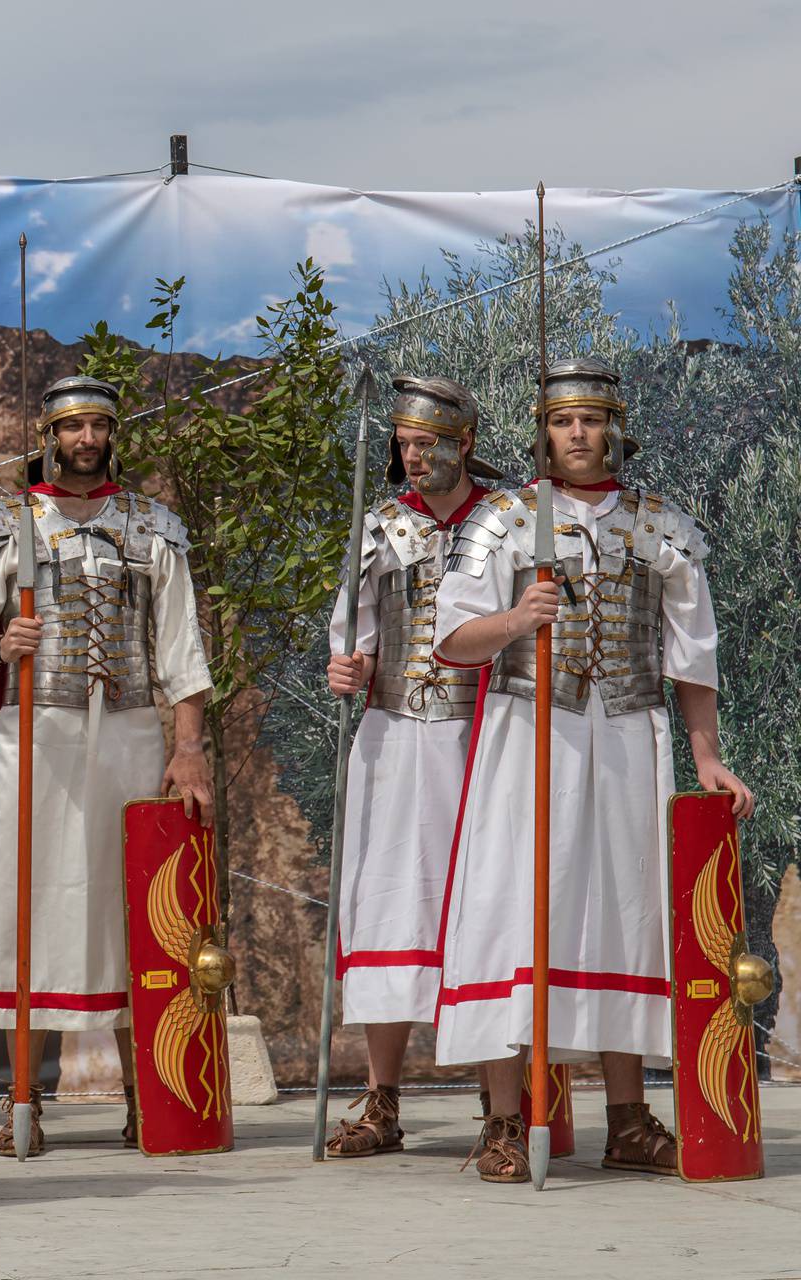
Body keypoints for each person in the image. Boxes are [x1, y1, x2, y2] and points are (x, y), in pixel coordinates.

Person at [432, 356, 753, 1183]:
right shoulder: (503, 521)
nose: (578, 433)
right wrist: (515, 617)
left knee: (627, 912)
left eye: (592, 418)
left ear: (614, 428)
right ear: (543, 432)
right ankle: (506, 1120)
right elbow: (451, 640)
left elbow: (693, 653)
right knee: (511, 905)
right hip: (523, 737)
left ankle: (628, 1119)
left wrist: (706, 756)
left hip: (626, 738)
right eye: (563, 420)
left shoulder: (661, 525)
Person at [0, 374, 213, 1156]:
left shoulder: (154, 526)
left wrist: (187, 749)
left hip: (128, 738)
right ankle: (25, 1100)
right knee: (28, 908)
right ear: (49, 434)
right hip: (31, 738)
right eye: (73, 426)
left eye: (99, 426)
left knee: (134, 917)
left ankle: (146, 1099)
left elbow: (182, 651)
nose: (87, 439)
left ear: (114, 433)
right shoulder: (2, 523)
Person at [321, 375, 502, 1157]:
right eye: (403, 442)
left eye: (427, 441)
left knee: (488, 915)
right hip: (393, 738)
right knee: (389, 910)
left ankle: (508, 1111)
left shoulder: (509, 519)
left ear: (464, 442)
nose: (413, 455)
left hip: (482, 741)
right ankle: (382, 1100)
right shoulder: (381, 525)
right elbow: (351, 632)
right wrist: (348, 668)